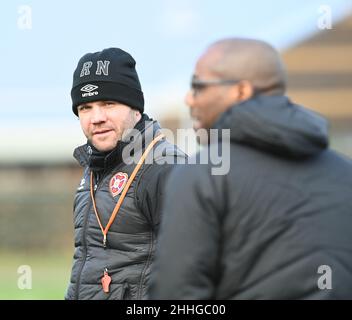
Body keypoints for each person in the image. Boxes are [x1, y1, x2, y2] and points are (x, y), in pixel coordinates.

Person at [148, 38, 352, 299]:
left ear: (241, 91)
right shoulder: (345, 173)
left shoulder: (205, 173)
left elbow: (175, 296)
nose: (189, 99)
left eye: (198, 86)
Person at [65, 47, 186, 300]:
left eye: (108, 103)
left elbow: (195, 269)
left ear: (136, 109)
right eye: (85, 107)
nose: (96, 118)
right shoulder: (95, 166)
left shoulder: (162, 166)